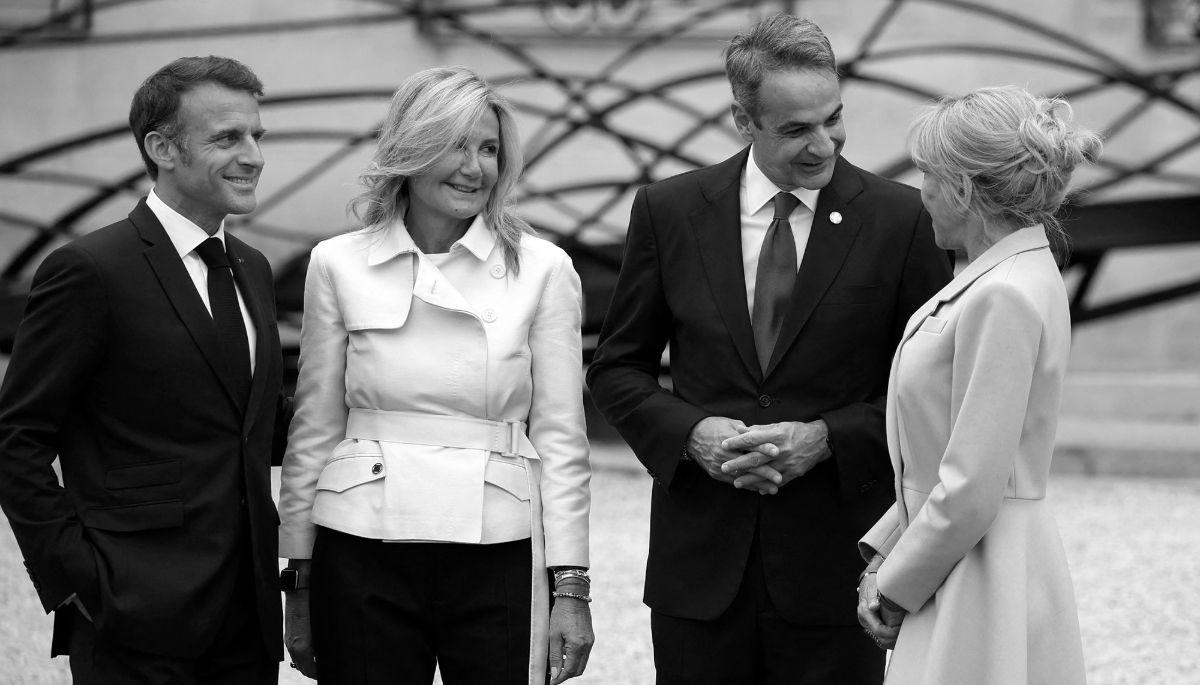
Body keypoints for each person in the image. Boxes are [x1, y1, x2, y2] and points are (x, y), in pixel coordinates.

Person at [586, 14, 953, 685]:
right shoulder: (671, 210)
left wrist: (825, 438)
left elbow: (931, 393)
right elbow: (618, 368)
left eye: (833, 118)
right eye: (795, 129)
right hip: (699, 572)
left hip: (840, 570)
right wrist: (692, 433)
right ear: (742, 120)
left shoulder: (903, 220)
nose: (824, 145)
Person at [277, 65, 593, 685]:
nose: (474, 168)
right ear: (409, 150)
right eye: (453, 144)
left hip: (497, 549)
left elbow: (561, 439)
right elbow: (313, 428)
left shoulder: (542, 269)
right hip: (359, 544)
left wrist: (571, 586)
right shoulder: (338, 263)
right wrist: (299, 577)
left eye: (488, 149)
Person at [0, 56, 285, 683]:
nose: (254, 155)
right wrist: (73, 578)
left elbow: (257, 426)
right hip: (130, 615)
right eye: (227, 138)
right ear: (162, 148)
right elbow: (16, 439)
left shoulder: (253, 269)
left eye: (256, 136)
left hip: (248, 620)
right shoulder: (89, 270)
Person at [855, 85, 1101, 685]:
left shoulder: (1003, 293)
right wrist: (889, 548)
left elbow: (971, 484)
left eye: (929, 175)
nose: (923, 193)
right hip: (968, 554)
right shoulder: (1004, 276)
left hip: (980, 572)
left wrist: (894, 587)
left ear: (965, 186)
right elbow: (947, 459)